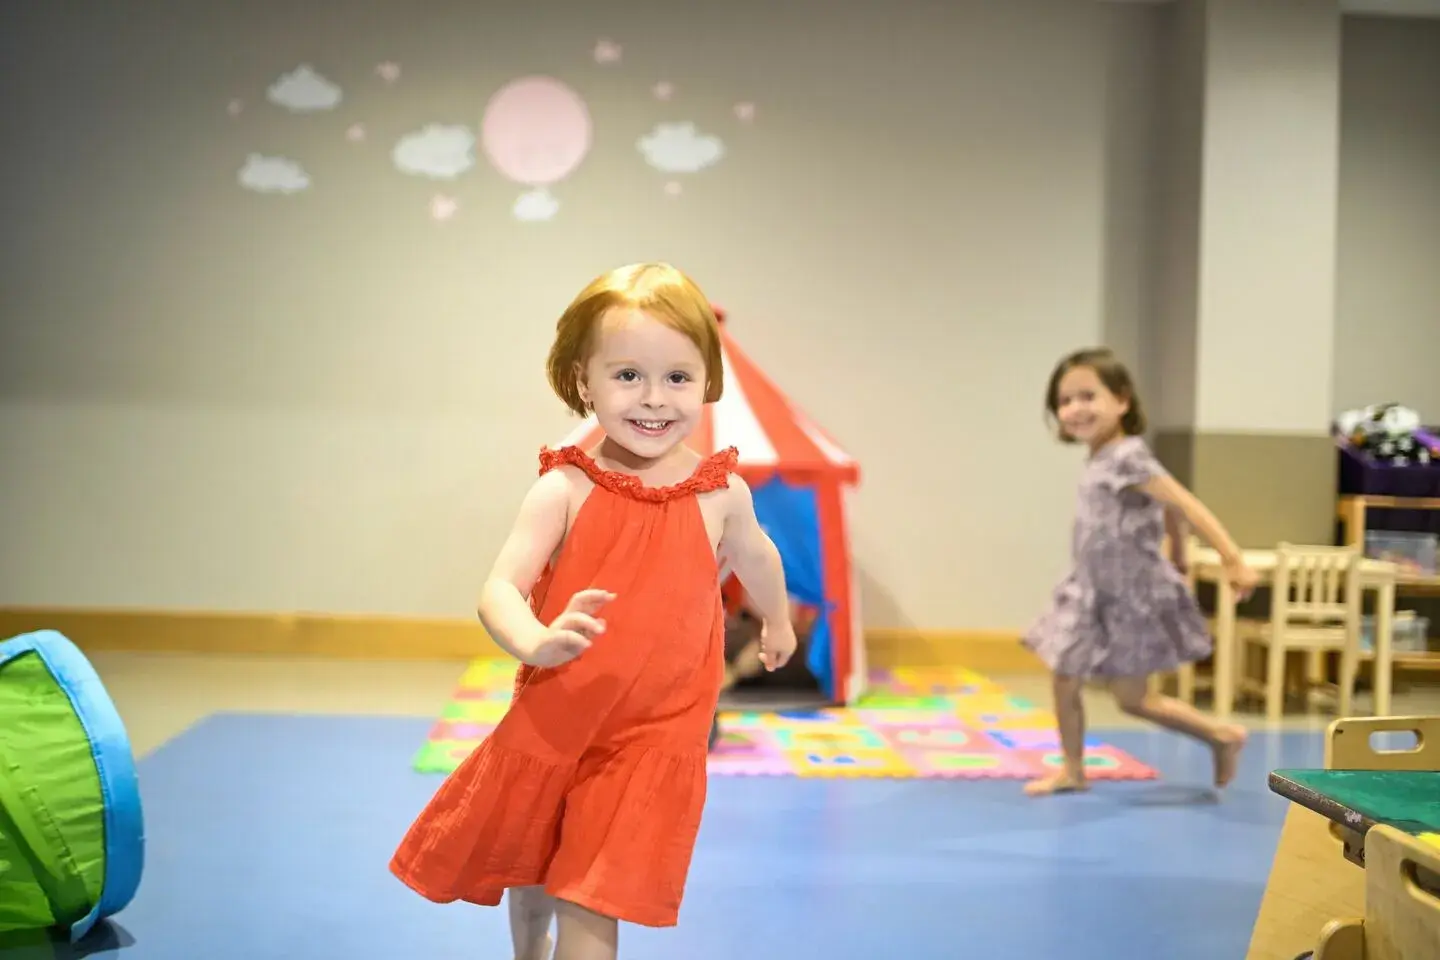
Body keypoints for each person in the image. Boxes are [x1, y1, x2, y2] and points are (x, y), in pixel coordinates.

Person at [388, 262, 797, 960]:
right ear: (584, 382)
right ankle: (528, 950)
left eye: (677, 378)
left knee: (592, 889)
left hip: (658, 727)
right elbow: (500, 588)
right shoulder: (564, 487)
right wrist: (536, 642)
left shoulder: (719, 491)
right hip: (562, 711)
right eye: (627, 375)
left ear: (707, 384)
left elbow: (757, 556)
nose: (654, 399)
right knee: (534, 860)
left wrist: (778, 621)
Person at [1021, 346, 1259, 798]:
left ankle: (1221, 735)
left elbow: (1183, 502)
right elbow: (1166, 508)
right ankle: (1073, 768)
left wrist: (1231, 558)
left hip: (1129, 595)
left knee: (1133, 700)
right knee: (1064, 674)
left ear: (1122, 401)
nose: (1074, 409)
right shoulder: (1101, 457)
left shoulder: (1126, 455)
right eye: (1065, 400)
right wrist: (1179, 549)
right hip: (1091, 590)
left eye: (1088, 396)